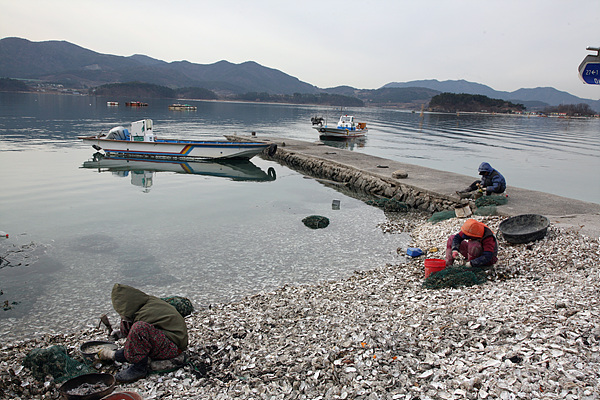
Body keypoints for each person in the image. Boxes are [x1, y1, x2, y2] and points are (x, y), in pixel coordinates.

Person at [98, 283, 189, 382]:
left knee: (139, 328)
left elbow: (132, 351)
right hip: (167, 335)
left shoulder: (144, 314)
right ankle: (132, 350)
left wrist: (111, 355)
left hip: (175, 347)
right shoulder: (144, 304)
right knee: (127, 319)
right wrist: (120, 333)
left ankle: (139, 369)